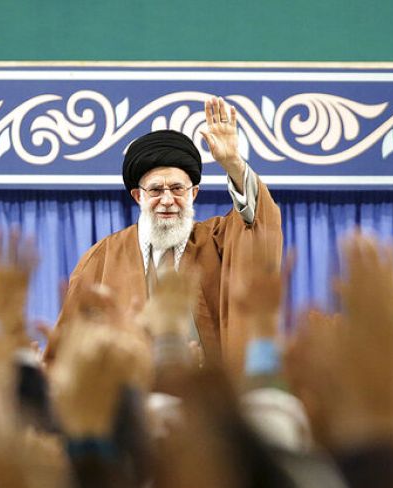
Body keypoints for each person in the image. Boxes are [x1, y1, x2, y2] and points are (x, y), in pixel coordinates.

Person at [47, 97, 282, 370]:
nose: (168, 200)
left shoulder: (219, 241)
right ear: (138, 196)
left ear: (194, 193)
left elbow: (258, 226)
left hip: (205, 400)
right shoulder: (103, 258)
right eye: (156, 190)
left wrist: (232, 163)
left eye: (178, 189)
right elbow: (69, 351)